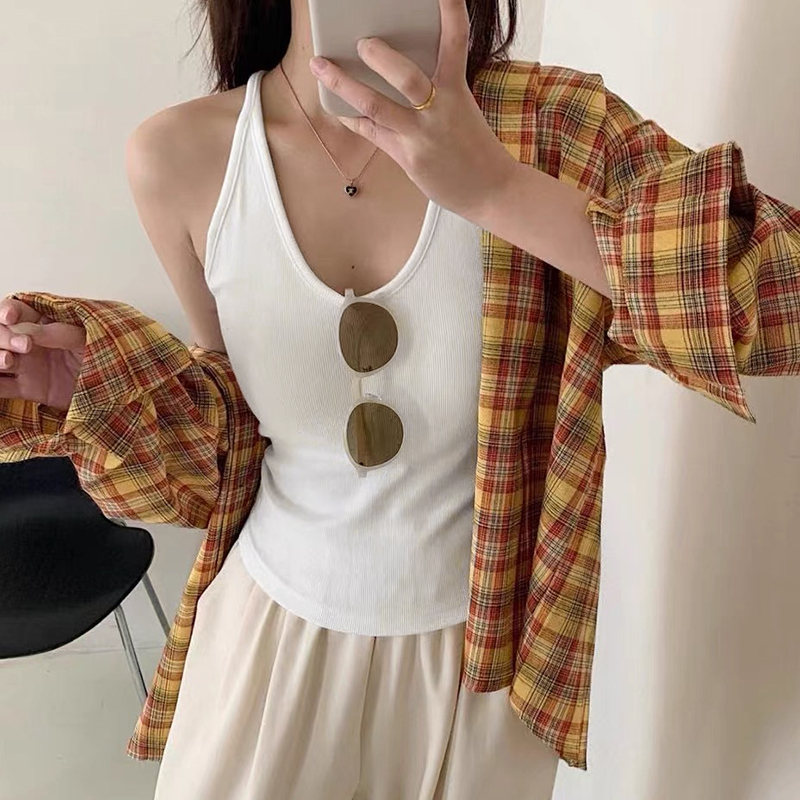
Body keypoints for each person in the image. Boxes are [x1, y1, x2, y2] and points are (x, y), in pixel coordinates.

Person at [1, 0, 799, 797]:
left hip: (480, 672)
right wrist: (93, 388)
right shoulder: (179, 156)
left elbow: (783, 304)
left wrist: (500, 190)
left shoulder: (553, 128)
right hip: (267, 643)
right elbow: (228, 438)